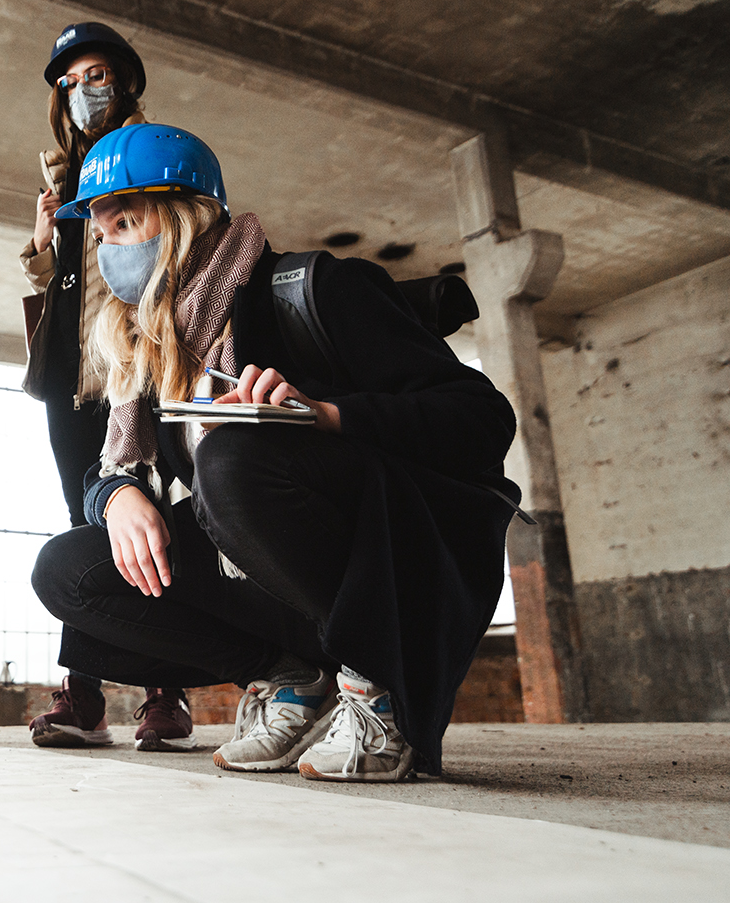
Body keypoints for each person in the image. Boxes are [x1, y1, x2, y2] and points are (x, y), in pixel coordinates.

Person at [30, 123, 520, 780]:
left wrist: (322, 415)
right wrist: (114, 494)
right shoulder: (152, 349)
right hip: (268, 575)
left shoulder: (312, 289)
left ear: (181, 216)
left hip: (393, 558)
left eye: (123, 223)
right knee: (66, 568)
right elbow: (108, 470)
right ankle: (291, 680)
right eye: (99, 231)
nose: (106, 246)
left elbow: (482, 419)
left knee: (232, 460)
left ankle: (377, 685)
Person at [20, 24, 196, 753]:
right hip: (68, 367)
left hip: (133, 358)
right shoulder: (61, 173)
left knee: (147, 507)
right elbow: (56, 283)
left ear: (124, 81)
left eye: (97, 74)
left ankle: (165, 690)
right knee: (80, 520)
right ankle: (84, 693)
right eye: (71, 79)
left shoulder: (150, 154)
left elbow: (178, 242)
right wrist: (39, 240)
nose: (84, 90)